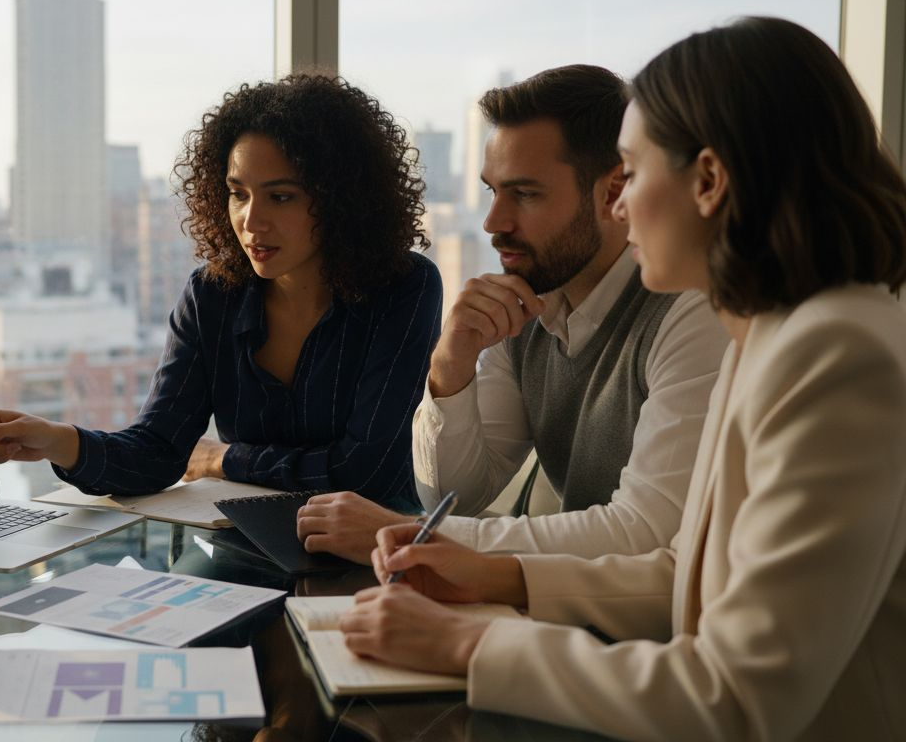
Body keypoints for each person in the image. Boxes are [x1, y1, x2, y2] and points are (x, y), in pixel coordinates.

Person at [340, 16, 906, 740]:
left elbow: (736, 697)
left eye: (631, 175)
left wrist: (466, 641)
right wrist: (495, 575)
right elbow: (683, 572)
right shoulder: (769, 334)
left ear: (708, 181)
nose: (621, 205)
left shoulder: (834, 354)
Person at [0, 75, 441, 507]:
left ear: (340, 200)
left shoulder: (403, 288)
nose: (250, 220)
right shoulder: (212, 295)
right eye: (237, 194)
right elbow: (158, 451)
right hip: (243, 537)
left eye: (280, 196)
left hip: (370, 552)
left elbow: (364, 473)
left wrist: (222, 459)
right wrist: (56, 442)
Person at [298, 65, 730, 563]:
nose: (493, 222)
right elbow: (454, 496)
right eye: (492, 191)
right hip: (566, 602)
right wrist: (449, 369)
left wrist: (413, 535)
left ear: (612, 193)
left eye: (524, 194)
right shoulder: (525, 303)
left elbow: (646, 532)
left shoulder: (690, 309)